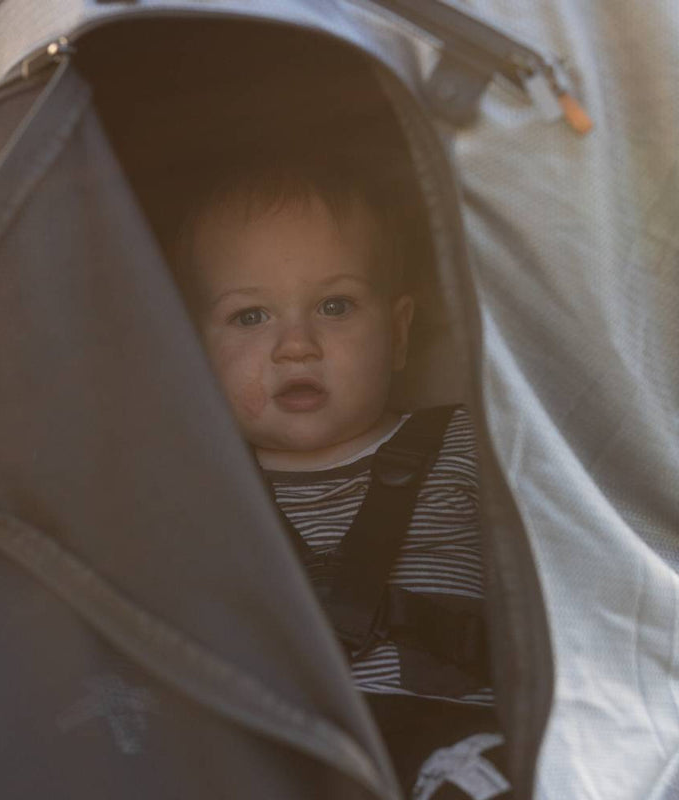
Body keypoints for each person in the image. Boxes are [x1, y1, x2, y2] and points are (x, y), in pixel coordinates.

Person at [165, 153, 513, 799]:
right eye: (250, 316)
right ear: (195, 350)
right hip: (263, 743)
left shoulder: (475, 443)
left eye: (334, 305)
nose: (296, 345)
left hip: (447, 735)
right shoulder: (188, 487)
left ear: (400, 332)